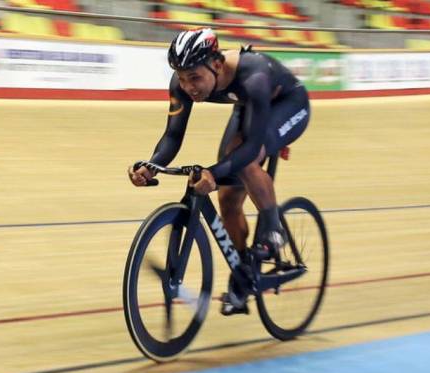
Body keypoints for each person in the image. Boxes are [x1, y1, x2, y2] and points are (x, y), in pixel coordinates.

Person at [128, 28, 310, 315]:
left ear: (216, 64)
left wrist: (212, 173)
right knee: (227, 199)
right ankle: (243, 275)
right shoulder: (184, 81)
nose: (189, 87)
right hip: (246, 106)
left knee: (246, 163)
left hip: (288, 105)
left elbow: (250, 148)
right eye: (183, 79)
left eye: (195, 78)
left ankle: (274, 231)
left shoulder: (255, 75)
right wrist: (151, 166)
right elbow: (172, 137)